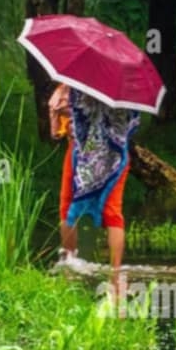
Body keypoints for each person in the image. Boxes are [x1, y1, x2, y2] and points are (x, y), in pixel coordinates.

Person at [47, 82, 141, 291]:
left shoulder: (73, 86)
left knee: (67, 206)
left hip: (82, 153)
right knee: (113, 212)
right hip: (116, 153)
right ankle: (116, 274)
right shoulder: (124, 86)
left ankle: (69, 262)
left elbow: (56, 128)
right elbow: (131, 124)